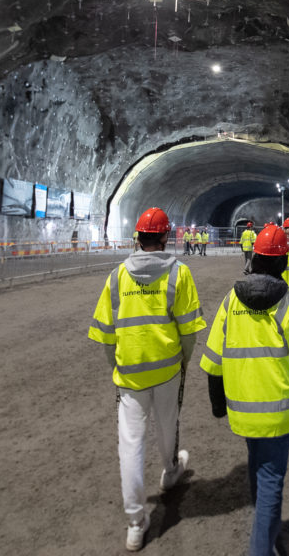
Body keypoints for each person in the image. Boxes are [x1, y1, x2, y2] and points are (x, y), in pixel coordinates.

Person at [88, 207, 206, 552]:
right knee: (168, 427)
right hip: (168, 369)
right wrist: (183, 362)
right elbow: (188, 332)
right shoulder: (179, 274)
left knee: (131, 446)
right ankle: (170, 472)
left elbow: (107, 335)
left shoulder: (116, 277)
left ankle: (136, 522)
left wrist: (118, 367)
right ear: (166, 237)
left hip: (129, 374)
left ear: (137, 238)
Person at [200, 225, 289, 556]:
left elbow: (213, 361)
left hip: (242, 408)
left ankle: (265, 530)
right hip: (280, 410)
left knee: (257, 466)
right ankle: (261, 546)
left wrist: (217, 405)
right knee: (271, 481)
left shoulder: (230, 302)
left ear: (253, 259)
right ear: (283, 263)